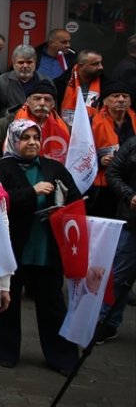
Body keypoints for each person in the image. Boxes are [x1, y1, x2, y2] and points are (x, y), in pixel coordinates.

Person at [0, 119, 82, 375]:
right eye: (25, 137)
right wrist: (32, 192)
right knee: (8, 304)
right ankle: (5, 352)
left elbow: (74, 197)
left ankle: (62, 357)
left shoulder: (54, 168)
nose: (31, 142)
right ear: (13, 140)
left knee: (53, 306)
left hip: (46, 250)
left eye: (35, 137)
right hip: (14, 249)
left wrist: (65, 207)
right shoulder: (1, 169)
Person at [97, 135, 136, 344]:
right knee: (119, 276)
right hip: (131, 222)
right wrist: (129, 196)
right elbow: (113, 173)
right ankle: (107, 323)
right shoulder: (132, 144)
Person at [0, 80, 69, 166]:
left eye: (47, 99)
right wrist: (9, 170)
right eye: (37, 98)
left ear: (53, 104)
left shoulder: (64, 128)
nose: (42, 103)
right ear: (27, 102)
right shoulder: (6, 123)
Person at [91, 81, 132, 218]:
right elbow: (81, 152)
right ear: (105, 101)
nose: (121, 99)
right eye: (115, 96)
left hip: (131, 183)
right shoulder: (92, 122)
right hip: (103, 185)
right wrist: (99, 159)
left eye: (125, 96)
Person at [0, 45, 48, 118]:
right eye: (21, 62)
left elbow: (53, 111)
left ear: (35, 63)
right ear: (13, 63)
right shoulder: (0, 82)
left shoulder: (45, 82)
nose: (25, 66)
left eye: (29, 62)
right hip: (8, 126)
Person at [58, 49, 105, 126]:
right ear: (81, 66)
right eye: (95, 64)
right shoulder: (61, 84)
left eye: (100, 63)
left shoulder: (106, 85)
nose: (101, 67)